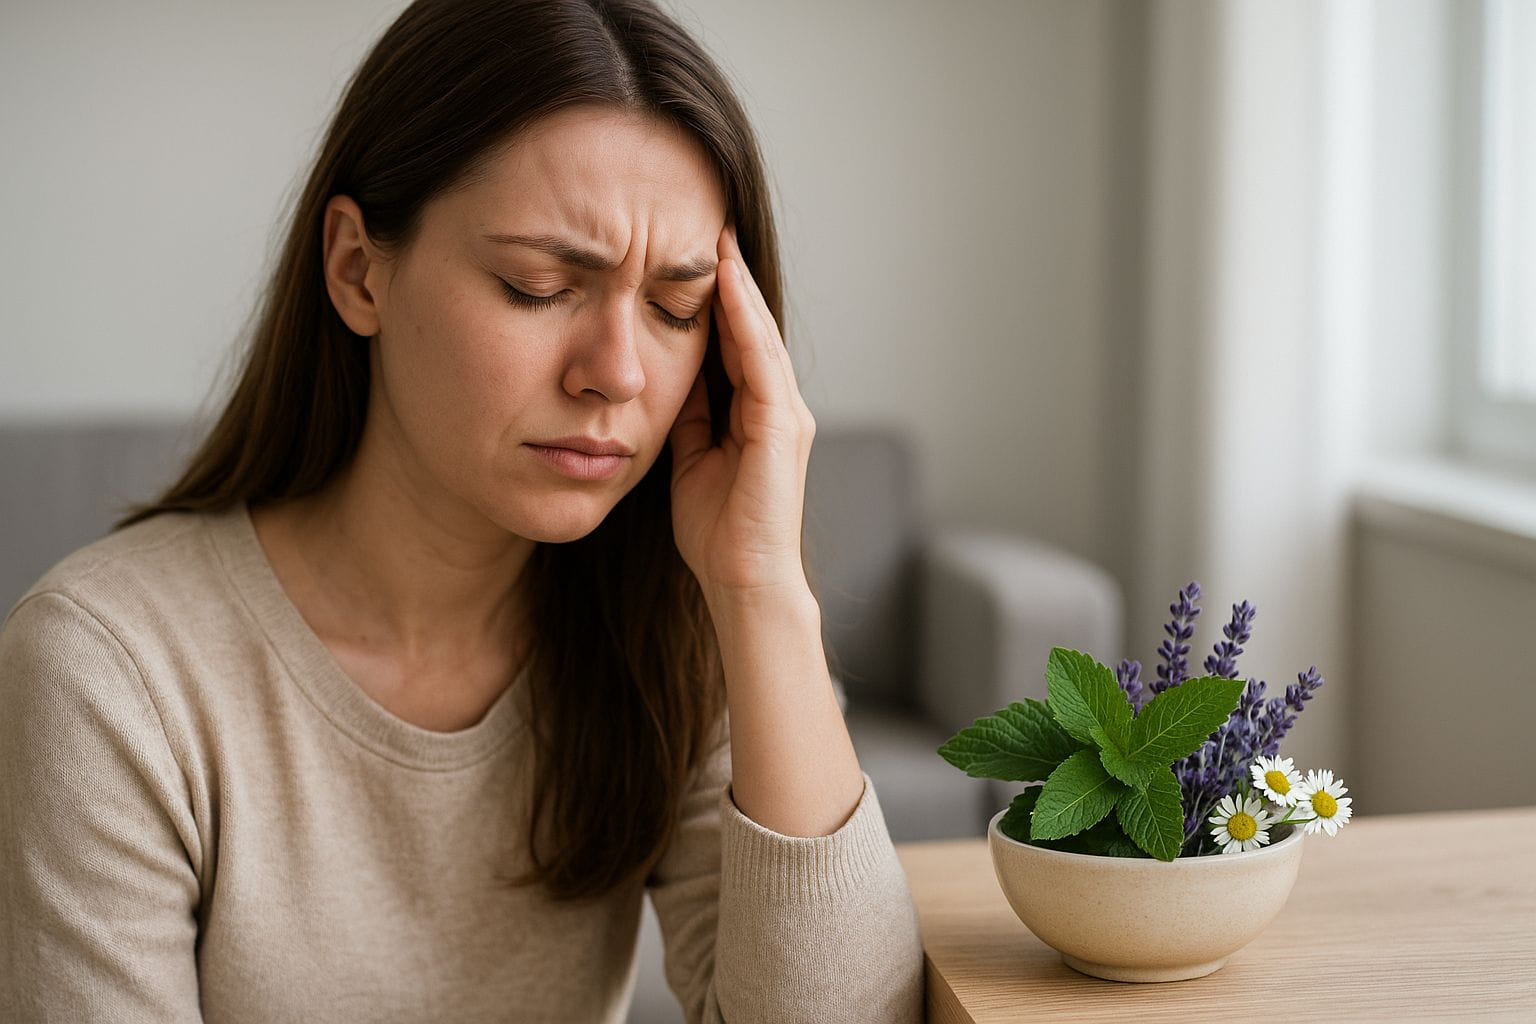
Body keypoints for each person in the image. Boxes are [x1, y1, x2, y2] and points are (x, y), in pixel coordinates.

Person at [0, 1, 925, 1021]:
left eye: (677, 309)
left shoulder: (674, 629)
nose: (617, 374)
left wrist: (764, 594)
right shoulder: (109, 672)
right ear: (358, 269)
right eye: (538, 285)